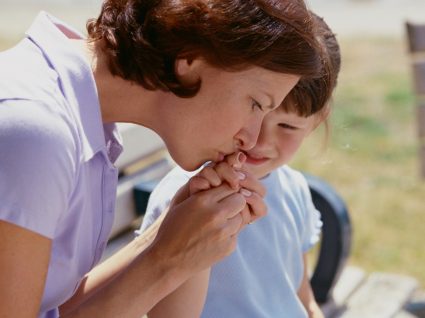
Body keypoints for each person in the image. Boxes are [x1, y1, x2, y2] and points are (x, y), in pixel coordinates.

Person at [0, 0, 324, 317]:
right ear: (191, 57)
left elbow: (54, 309)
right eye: (256, 104)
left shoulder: (75, 117)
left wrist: (164, 238)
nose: (251, 139)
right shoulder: (35, 133)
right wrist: (167, 262)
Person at [138, 13, 341, 318]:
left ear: (316, 123)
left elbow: (300, 294)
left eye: (286, 126)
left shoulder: (294, 188)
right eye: (252, 111)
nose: (258, 139)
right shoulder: (184, 200)